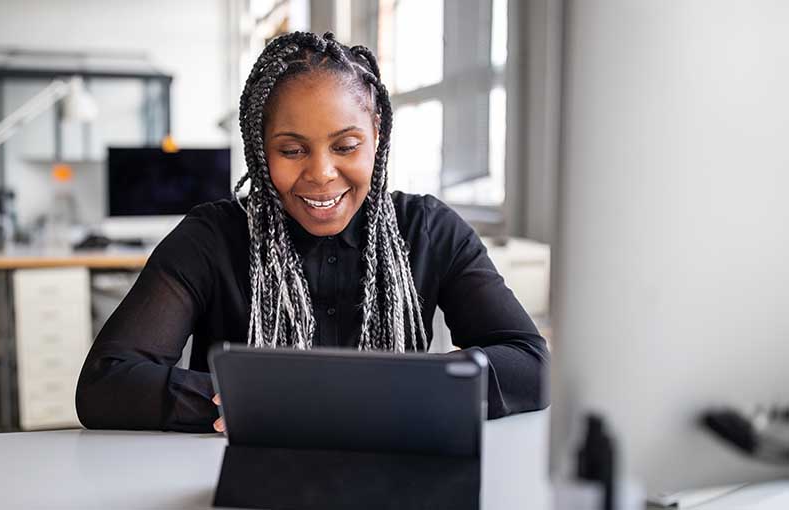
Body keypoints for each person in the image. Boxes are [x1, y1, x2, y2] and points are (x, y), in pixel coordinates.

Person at [76, 31, 548, 434]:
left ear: (377, 134)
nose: (322, 173)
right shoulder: (210, 239)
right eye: (292, 150)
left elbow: (531, 364)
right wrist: (249, 398)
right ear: (261, 148)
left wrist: (404, 390)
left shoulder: (429, 230)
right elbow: (105, 383)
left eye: (345, 145)